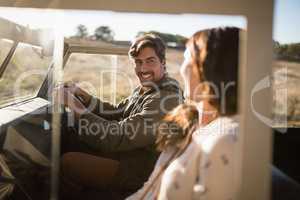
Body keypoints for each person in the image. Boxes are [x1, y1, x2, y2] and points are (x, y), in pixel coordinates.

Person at [56, 34, 183, 199]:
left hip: (141, 171)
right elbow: (117, 112)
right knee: (72, 138)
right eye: (138, 62)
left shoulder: (167, 99)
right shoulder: (145, 89)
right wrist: (84, 96)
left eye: (150, 61)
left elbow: (118, 136)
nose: (143, 69)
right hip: (129, 153)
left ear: (163, 63)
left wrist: (76, 107)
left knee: (69, 162)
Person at [127, 27, 240, 199]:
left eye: (187, 58)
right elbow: (150, 188)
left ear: (209, 67)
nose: (181, 69)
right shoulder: (187, 120)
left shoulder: (224, 141)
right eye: (138, 62)